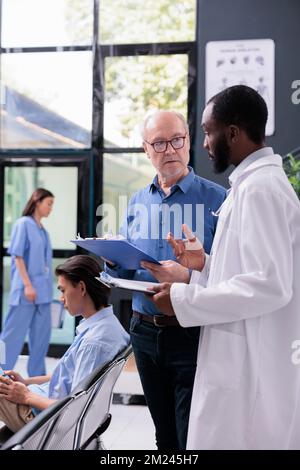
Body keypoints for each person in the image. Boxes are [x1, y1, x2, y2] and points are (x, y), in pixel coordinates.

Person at [148, 86, 300, 449]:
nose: (203, 143)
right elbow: (249, 270)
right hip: (238, 357)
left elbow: (271, 284)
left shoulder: (261, 190)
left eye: (206, 131)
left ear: (232, 133)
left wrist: (183, 299)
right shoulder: (250, 186)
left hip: (250, 369)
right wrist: (204, 265)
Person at [105, 110, 226, 449]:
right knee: (164, 438)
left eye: (176, 140)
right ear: (146, 149)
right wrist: (112, 260)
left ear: (189, 142)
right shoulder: (136, 202)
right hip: (143, 332)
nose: (169, 149)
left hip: (192, 333)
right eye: (159, 142)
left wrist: (188, 274)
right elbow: (125, 271)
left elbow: (233, 274)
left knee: (190, 437)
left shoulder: (219, 200)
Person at [0, 255, 129, 432]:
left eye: (62, 290)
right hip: (43, 403)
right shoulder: (108, 326)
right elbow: (69, 377)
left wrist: (26, 395)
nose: (61, 298)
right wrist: (26, 382)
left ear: (81, 288)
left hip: (45, 421)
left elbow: (76, 408)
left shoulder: (94, 343)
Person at [0, 188, 54, 376]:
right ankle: (1, 373)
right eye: (49, 203)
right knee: (10, 338)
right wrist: (28, 285)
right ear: (37, 202)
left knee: (41, 342)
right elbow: (18, 256)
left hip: (44, 295)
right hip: (26, 292)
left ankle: (36, 387)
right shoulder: (23, 224)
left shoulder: (43, 231)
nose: (51, 208)